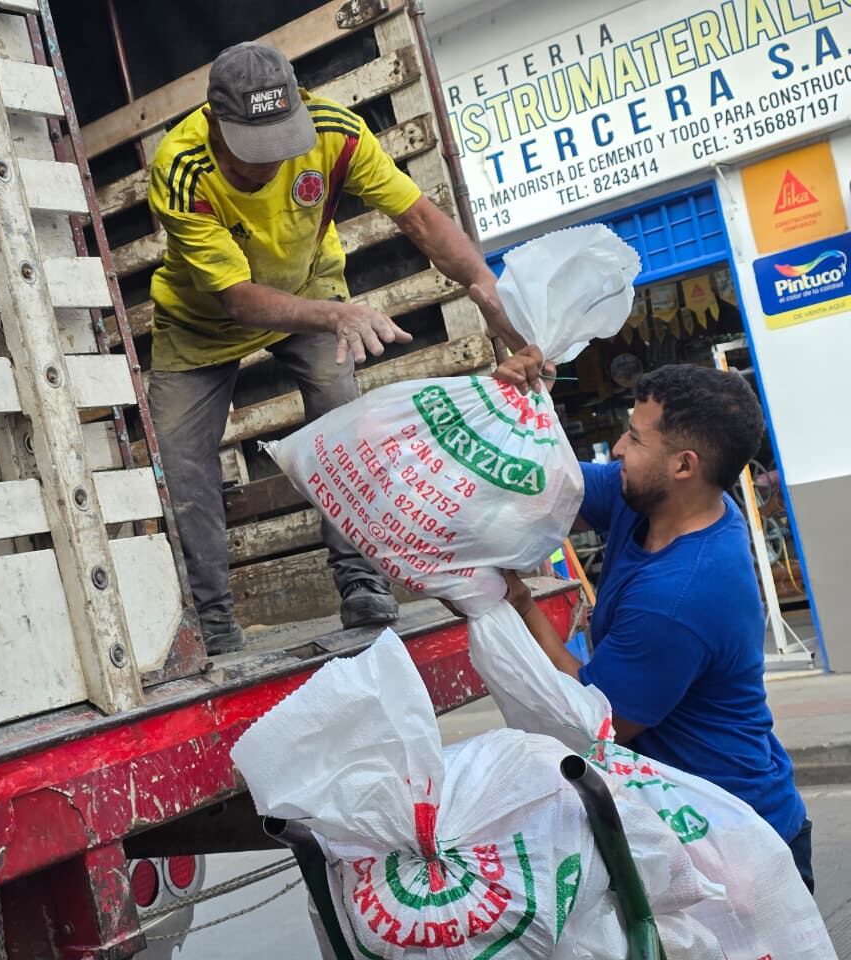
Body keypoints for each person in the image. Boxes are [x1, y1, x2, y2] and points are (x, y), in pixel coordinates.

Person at [146, 41, 519, 654]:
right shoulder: (181, 167)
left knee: (345, 417)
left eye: (278, 146)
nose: (267, 168)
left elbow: (419, 218)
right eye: (250, 155)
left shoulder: (335, 132)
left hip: (309, 292)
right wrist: (338, 313)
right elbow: (237, 298)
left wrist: (483, 285)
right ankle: (213, 623)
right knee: (182, 466)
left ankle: (361, 580)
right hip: (203, 320)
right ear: (214, 123)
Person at [496, 349, 813, 892]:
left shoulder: (680, 595)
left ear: (684, 465)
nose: (619, 448)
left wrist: (523, 607)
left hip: (737, 847)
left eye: (636, 439)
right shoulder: (657, 500)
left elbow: (597, 722)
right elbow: (555, 484)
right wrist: (518, 409)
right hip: (688, 825)